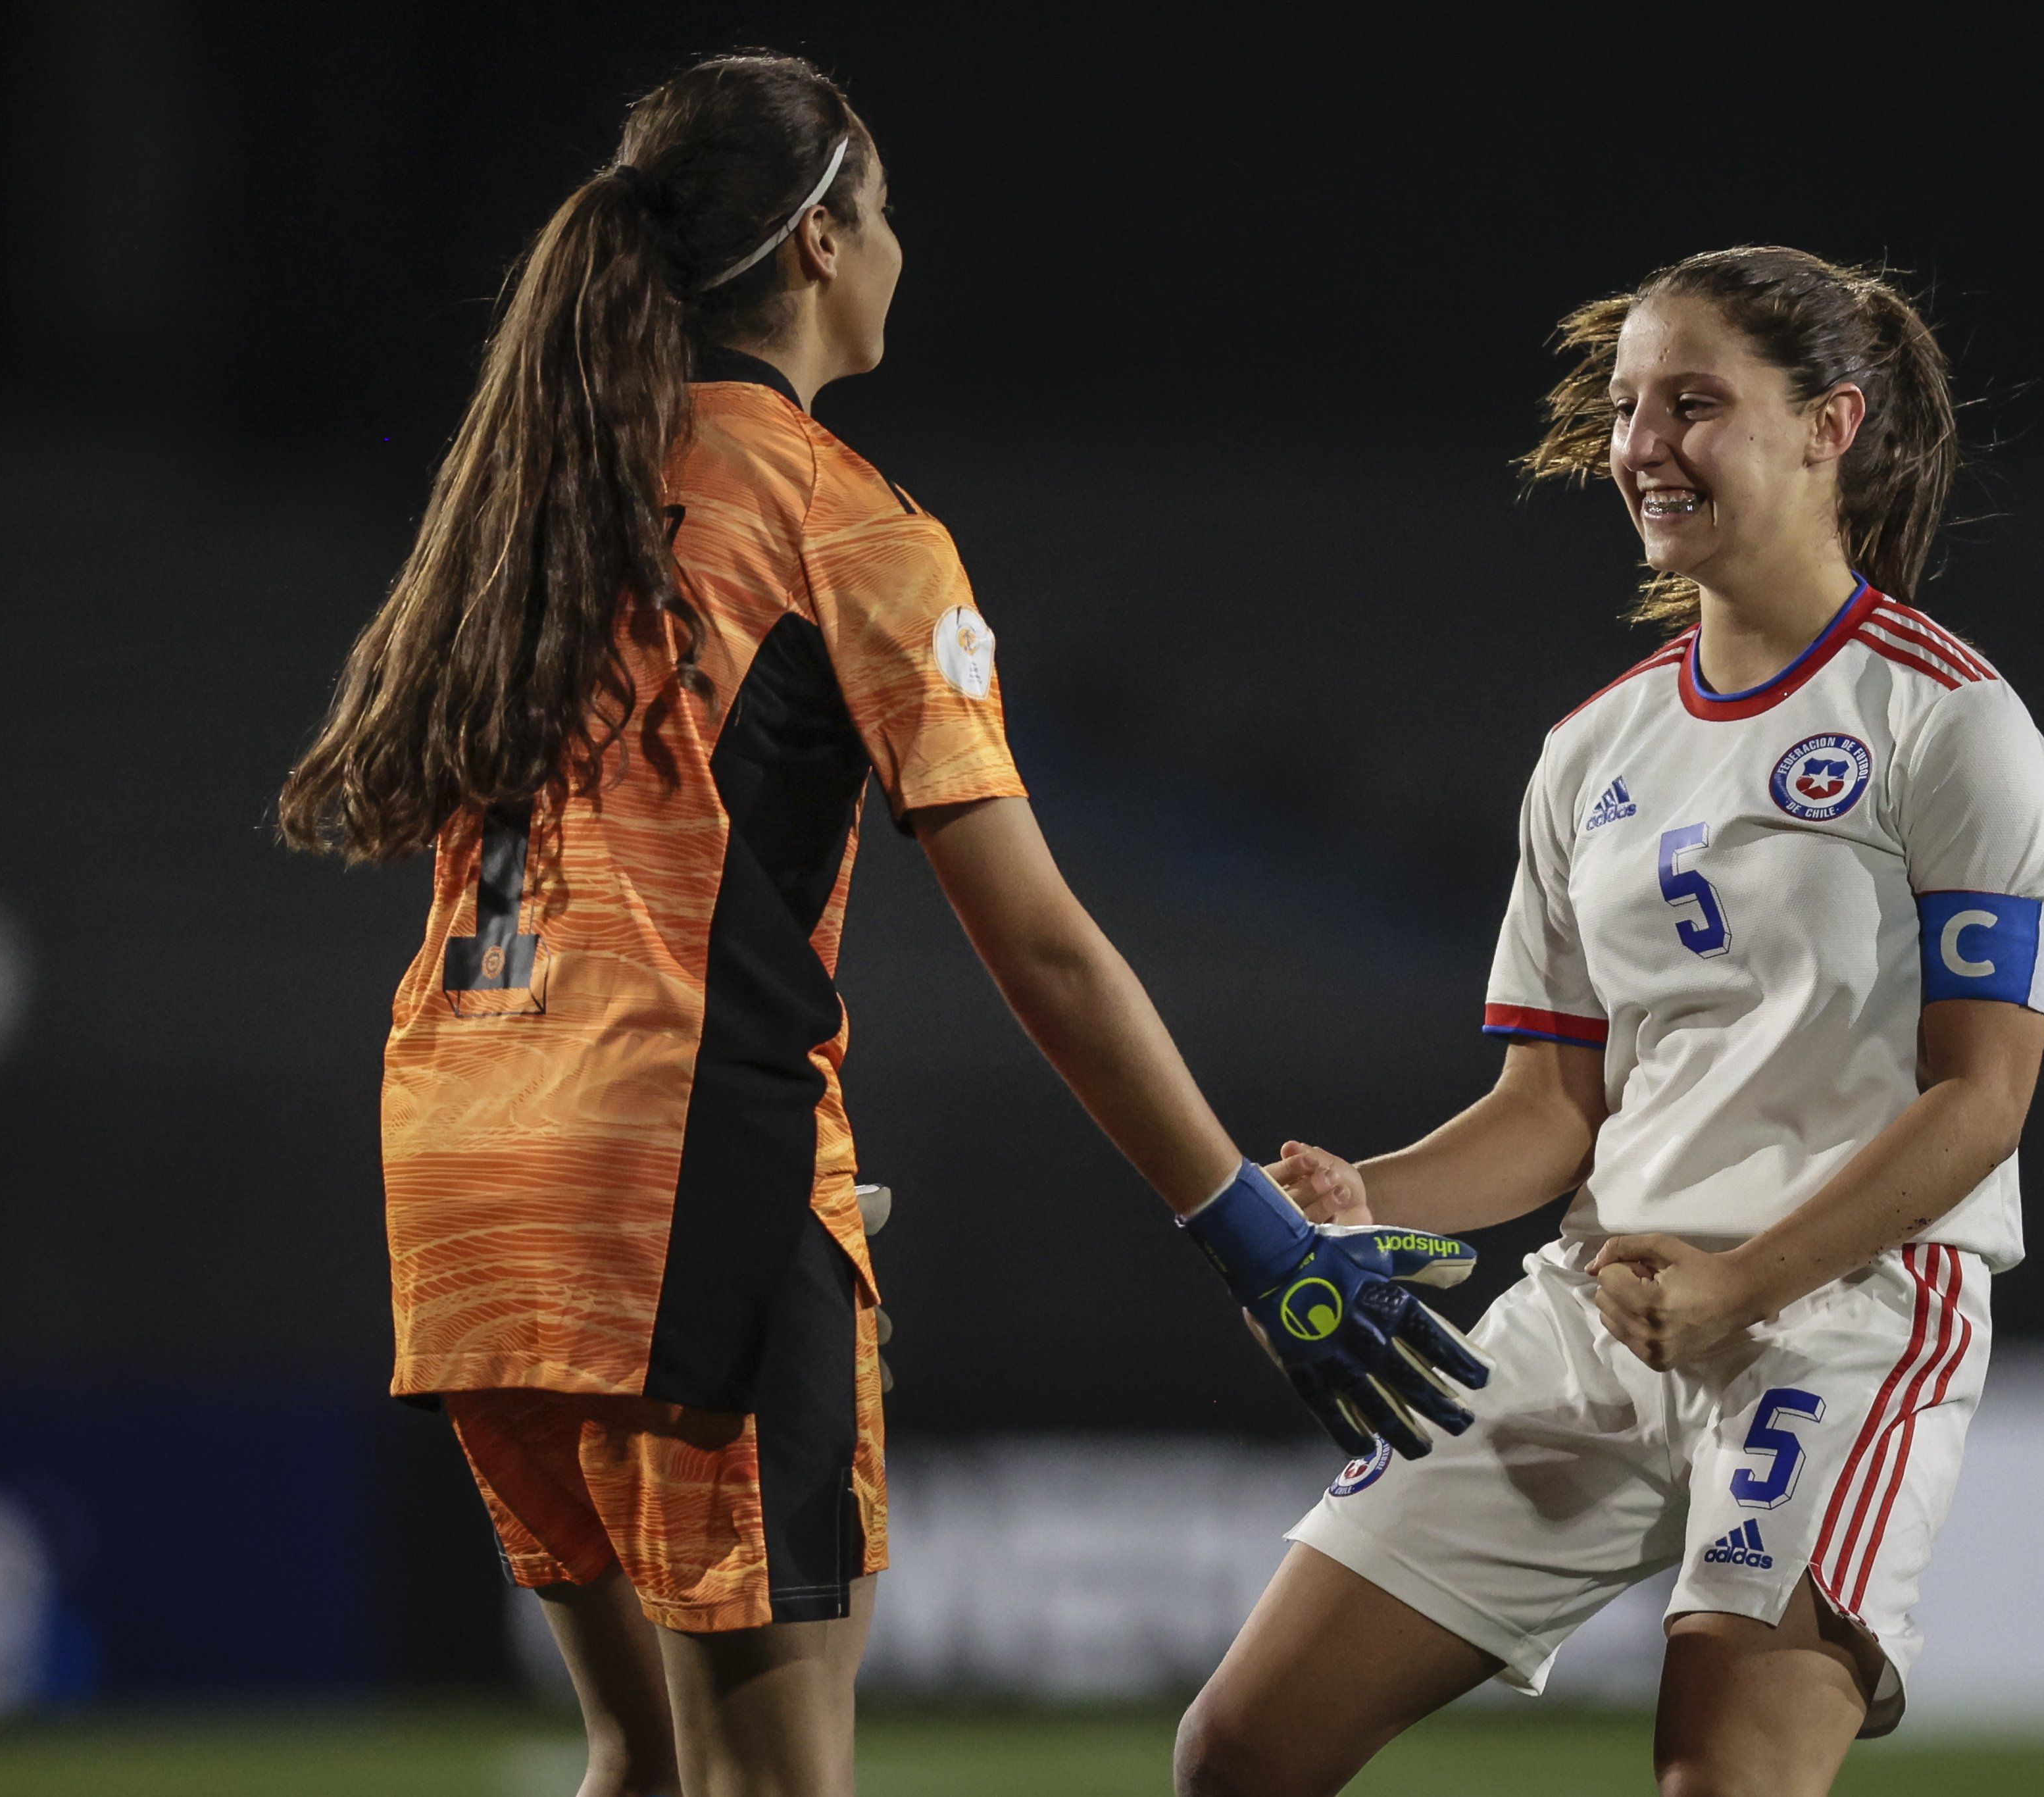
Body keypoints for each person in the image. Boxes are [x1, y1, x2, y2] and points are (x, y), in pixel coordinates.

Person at [276, 52, 1483, 1797]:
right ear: (825, 239)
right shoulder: (841, 520)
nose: (906, 247)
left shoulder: (543, 507)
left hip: (465, 1180)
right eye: (890, 212)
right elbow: (1044, 942)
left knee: (636, 1756)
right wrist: (1243, 1227)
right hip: (673, 1176)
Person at [1176, 247, 2044, 1797]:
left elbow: (1980, 1101)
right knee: (1241, 1750)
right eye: (1622, 408)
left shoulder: (1948, 724)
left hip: (1842, 1316)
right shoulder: (1591, 748)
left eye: (1692, 404)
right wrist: (1360, 1201)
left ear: (1829, 426)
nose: (1640, 445)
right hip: (1602, 1312)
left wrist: (1744, 1281)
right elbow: (1549, 1106)